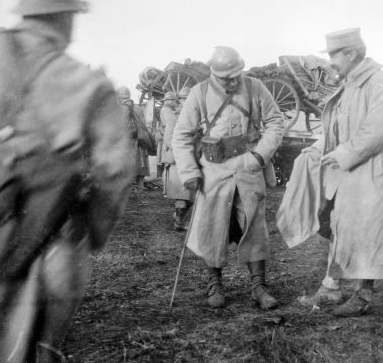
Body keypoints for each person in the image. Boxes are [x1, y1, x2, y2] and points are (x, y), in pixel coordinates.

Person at [0, 0, 135, 363]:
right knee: (29, 349)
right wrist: (95, 229)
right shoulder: (86, 82)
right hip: (44, 232)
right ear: (66, 19)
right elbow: (115, 170)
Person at [297, 28, 383, 317]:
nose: (330, 61)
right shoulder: (350, 84)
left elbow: (377, 130)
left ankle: (363, 294)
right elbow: (338, 128)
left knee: (368, 230)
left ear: (354, 53)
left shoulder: (378, 82)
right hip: (353, 167)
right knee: (340, 224)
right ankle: (331, 287)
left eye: (334, 54)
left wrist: (342, 155)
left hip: (373, 168)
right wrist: (318, 149)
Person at [172, 46, 285, 309]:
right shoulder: (199, 93)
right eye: (226, 78)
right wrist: (189, 171)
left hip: (249, 167)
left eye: (237, 75)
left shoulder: (256, 87)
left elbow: (276, 122)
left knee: (254, 227)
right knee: (213, 228)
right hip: (213, 171)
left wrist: (259, 156)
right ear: (213, 72)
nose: (233, 81)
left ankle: (258, 287)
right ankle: (215, 285)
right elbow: (181, 135)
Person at [160, 87, 194, 231]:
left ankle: (178, 217)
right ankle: (179, 221)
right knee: (183, 193)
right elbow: (168, 139)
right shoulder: (174, 116)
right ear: (179, 100)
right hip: (178, 160)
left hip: (193, 159)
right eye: (184, 99)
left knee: (193, 193)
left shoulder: (196, 116)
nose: (187, 102)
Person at [116, 86, 152, 192]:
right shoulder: (138, 107)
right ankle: (140, 189)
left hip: (127, 141)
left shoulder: (121, 108)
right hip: (140, 139)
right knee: (140, 165)